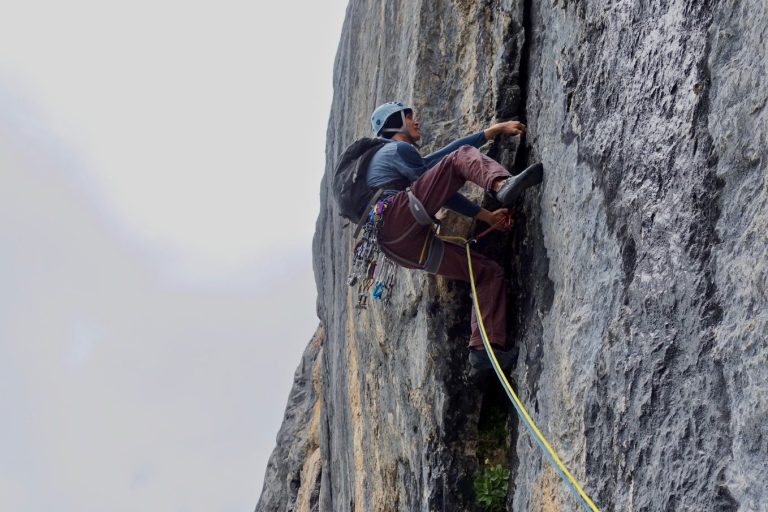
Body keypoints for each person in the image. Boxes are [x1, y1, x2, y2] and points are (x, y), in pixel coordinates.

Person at [366, 101, 543, 373]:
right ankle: (501, 183)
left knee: (485, 272)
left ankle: (484, 351)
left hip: (401, 249)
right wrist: (486, 215)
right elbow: (452, 168)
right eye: (410, 117)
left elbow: (438, 162)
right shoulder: (396, 149)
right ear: (395, 123)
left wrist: (492, 131)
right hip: (398, 218)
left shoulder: (392, 157)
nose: (417, 121)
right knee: (462, 157)